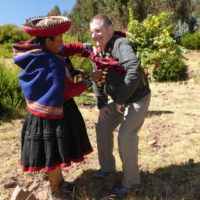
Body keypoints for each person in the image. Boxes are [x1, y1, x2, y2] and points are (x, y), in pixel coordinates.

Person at [12, 16, 102, 200]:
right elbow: (69, 92)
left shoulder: (36, 51)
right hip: (52, 115)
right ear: (48, 40)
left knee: (53, 152)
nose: (62, 43)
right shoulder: (53, 63)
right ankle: (56, 192)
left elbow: (66, 48)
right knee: (52, 156)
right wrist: (90, 79)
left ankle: (59, 183)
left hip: (40, 112)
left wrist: (86, 47)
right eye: (59, 39)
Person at [89, 14, 151, 197]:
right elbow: (96, 79)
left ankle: (132, 184)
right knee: (102, 127)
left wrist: (121, 99)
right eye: (92, 32)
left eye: (98, 30)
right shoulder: (98, 51)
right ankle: (108, 168)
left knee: (125, 136)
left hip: (136, 98)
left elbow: (135, 69)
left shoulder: (120, 44)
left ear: (110, 29)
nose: (94, 35)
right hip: (118, 100)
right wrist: (101, 105)